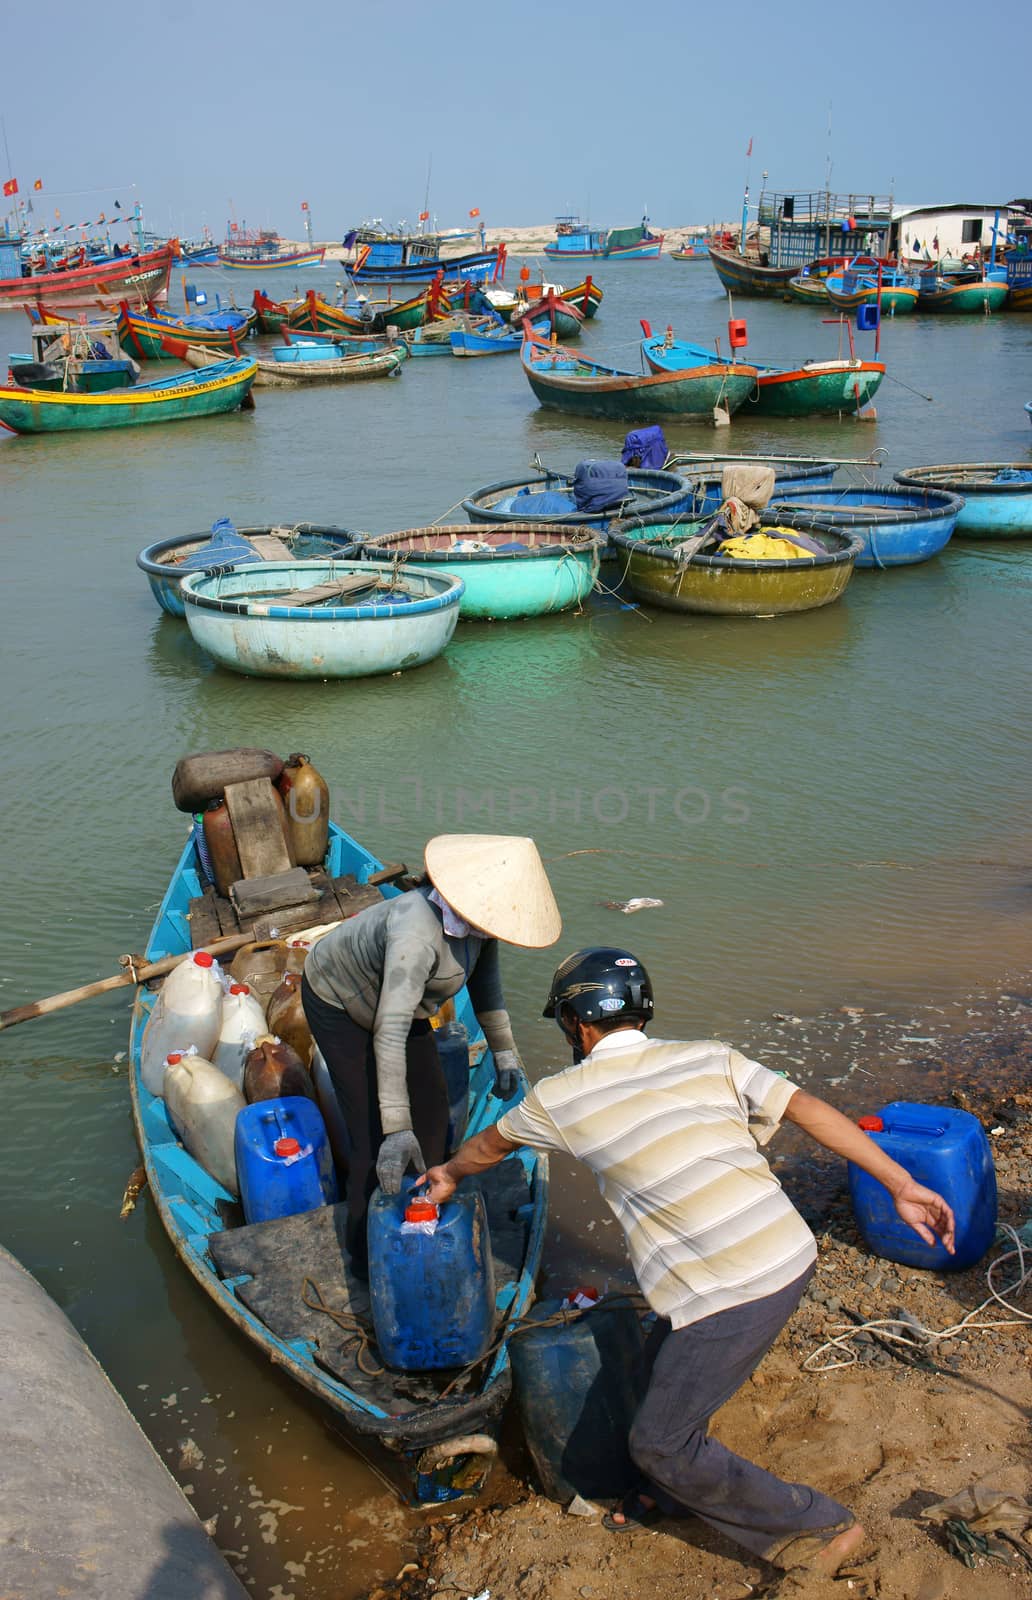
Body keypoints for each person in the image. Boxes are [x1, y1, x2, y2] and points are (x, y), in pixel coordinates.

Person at [421, 947, 956, 1578]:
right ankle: (666, 1493)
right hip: (787, 1247)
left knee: (660, 1441)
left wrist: (448, 1175)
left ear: (578, 1024)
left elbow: (486, 1147)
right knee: (658, 1359)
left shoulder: (560, 1098)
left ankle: (816, 1523)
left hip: (734, 1286)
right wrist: (899, 1183)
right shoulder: (709, 1056)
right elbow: (807, 1110)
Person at [301, 834, 561, 1272]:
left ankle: (426, 1208)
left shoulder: (480, 927)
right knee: (374, 1131)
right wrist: (397, 1127)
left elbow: (486, 988)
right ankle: (367, 1258)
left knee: (435, 1112)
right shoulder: (415, 933)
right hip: (339, 999)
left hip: (403, 1003)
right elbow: (389, 1028)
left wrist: (504, 1053)